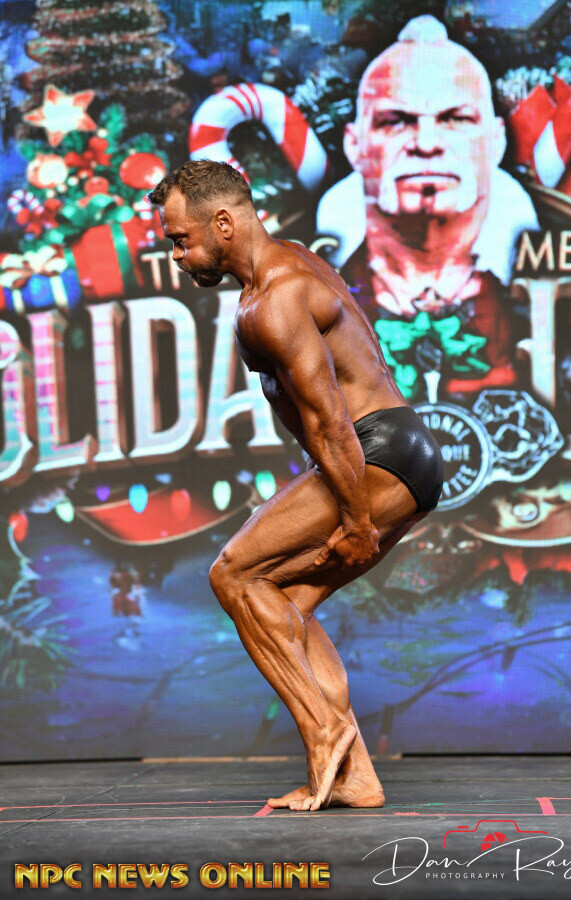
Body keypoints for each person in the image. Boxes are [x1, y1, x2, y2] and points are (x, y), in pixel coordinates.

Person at [147, 159, 444, 811]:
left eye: (181, 240)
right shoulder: (292, 261)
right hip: (400, 451)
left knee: (233, 575)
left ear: (223, 223)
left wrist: (357, 523)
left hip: (376, 454)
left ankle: (325, 734)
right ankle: (357, 777)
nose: (177, 255)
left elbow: (330, 422)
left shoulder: (272, 300)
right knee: (279, 602)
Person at [317, 16, 539, 391]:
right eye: (396, 120)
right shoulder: (319, 294)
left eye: (455, 118)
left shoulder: (543, 300)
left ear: (496, 141)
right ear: (354, 145)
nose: (426, 143)